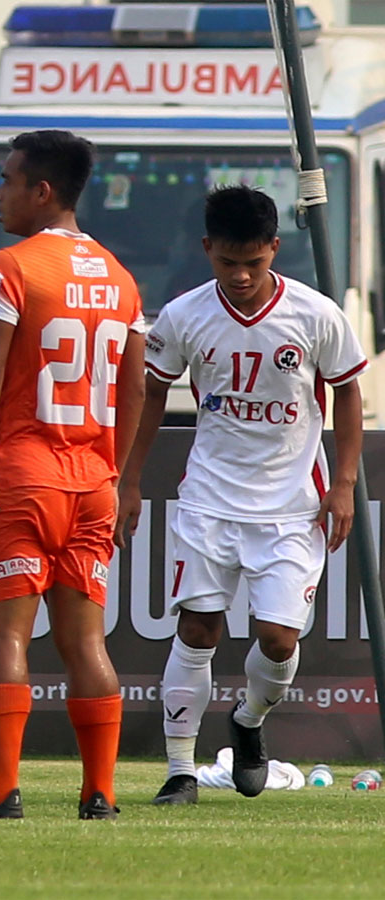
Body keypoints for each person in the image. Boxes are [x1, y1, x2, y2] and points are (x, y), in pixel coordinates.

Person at [116, 185, 366, 805]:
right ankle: (178, 770)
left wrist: (343, 483)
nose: (242, 275)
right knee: (198, 629)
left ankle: (248, 721)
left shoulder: (315, 314)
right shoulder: (182, 316)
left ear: (274, 249)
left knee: (280, 640)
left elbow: (349, 392)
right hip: (208, 499)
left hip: (291, 508)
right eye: (229, 263)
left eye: (254, 262)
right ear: (207, 250)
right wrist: (128, 479)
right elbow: (152, 394)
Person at [0, 130, 147, 821]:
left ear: (42, 191)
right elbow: (136, 388)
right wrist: (120, 476)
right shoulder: (121, 278)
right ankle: (101, 793)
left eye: (5, 180)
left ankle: (1, 793)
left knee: (5, 636)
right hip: (93, 481)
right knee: (85, 641)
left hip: (22, 475)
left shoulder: (11, 266)